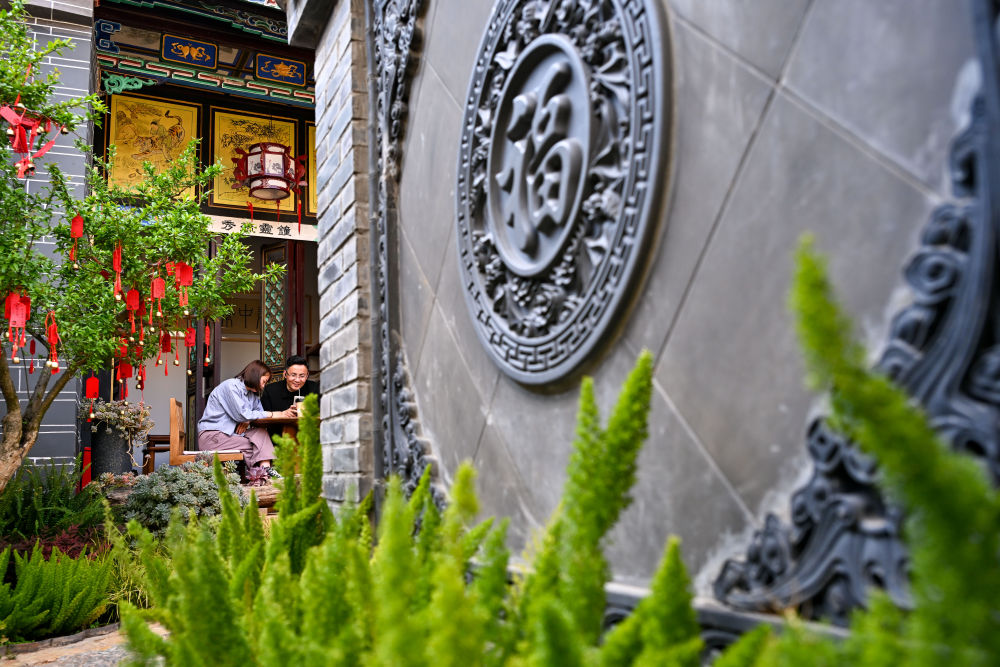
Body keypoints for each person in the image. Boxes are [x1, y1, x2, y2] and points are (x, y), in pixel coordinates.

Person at [197, 360, 296, 479]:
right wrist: (274, 414)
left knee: (260, 433)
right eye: (264, 382)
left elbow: (258, 416)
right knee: (257, 446)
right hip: (213, 436)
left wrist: (249, 419)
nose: (263, 386)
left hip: (230, 436)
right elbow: (242, 415)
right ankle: (263, 475)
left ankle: (265, 471)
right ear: (255, 376)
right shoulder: (231, 386)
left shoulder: (252, 394)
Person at [260, 355, 319, 438]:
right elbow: (262, 418)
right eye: (293, 375)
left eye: (302, 376)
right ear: (285, 374)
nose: (297, 380)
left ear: (307, 375)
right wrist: (282, 415)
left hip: (307, 437)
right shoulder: (270, 390)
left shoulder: (314, 388)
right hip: (278, 438)